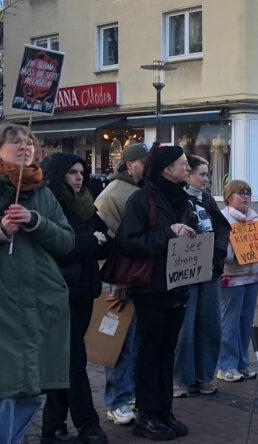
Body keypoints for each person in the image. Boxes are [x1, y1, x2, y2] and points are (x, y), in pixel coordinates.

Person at [0, 124, 74, 444]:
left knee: (30, 394)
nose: (25, 147)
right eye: (15, 142)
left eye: (29, 142)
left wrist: (36, 222)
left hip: (40, 304)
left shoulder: (43, 192)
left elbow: (66, 242)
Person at [118, 145, 197, 441]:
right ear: (167, 168)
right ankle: (147, 414)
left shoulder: (183, 199)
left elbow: (189, 232)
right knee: (150, 350)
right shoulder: (142, 199)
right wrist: (169, 234)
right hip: (150, 287)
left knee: (167, 350)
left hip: (178, 284)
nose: (187, 167)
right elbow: (129, 242)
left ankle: (165, 410)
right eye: (183, 163)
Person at [40, 153, 113, 444]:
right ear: (59, 174)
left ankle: (53, 426)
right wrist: (90, 241)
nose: (79, 177)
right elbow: (59, 246)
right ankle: (87, 424)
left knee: (66, 359)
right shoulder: (50, 204)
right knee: (74, 359)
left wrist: (96, 241)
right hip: (60, 292)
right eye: (72, 172)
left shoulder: (84, 204)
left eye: (81, 172)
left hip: (84, 290)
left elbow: (104, 238)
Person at [94, 143, 148, 426]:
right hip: (120, 278)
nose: (148, 166)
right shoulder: (113, 194)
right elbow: (107, 241)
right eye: (144, 161)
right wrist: (116, 281)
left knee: (136, 341)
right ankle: (117, 401)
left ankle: (131, 394)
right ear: (131, 165)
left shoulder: (139, 190)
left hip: (138, 276)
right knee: (120, 343)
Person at [173, 156, 230, 397]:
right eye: (202, 174)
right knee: (185, 328)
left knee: (210, 324)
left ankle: (204, 375)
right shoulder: (176, 198)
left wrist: (218, 252)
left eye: (208, 174)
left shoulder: (207, 199)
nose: (206, 179)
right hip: (186, 270)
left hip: (209, 270)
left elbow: (222, 227)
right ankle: (181, 379)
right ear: (188, 175)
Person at [216, 180, 258, 383]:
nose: (246, 196)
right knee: (230, 322)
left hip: (252, 276)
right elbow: (222, 250)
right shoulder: (223, 219)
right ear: (228, 197)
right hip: (232, 278)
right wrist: (238, 252)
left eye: (248, 193)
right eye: (240, 193)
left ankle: (242, 363)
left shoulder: (255, 219)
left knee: (246, 322)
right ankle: (226, 365)